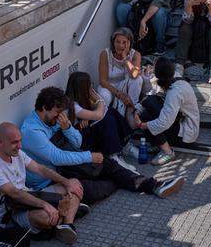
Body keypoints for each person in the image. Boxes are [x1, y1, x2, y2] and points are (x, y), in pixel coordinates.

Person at [21, 87, 187, 203]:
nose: (59, 116)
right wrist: (89, 156)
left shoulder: (53, 119)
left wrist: (67, 128)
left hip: (65, 168)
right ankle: (123, 180)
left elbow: (77, 142)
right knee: (92, 188)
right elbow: (57, 158)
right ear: (44, 108)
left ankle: (156, 185)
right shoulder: (32, 131)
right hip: (49, 180)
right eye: (57, 112)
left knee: (108, 165)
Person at [0, 123, 82, 243]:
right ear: (0, 142)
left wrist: (66, 182)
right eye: (14, 142)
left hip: (30, 196)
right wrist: (45, 205)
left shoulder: (16, 153)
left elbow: (40, 169)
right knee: (46, 216)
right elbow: (14, 193)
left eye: (20, 141)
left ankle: (67, 224)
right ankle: (68, 211)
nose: (19, 146)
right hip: (12, 213)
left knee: (74, 184)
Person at [133, 57, 200, 166]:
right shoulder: (171, 77)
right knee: (147, 107)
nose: (151, 70)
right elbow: (153, 95)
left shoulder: (175, 92)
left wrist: (143, 125)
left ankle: (168, 152)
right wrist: (137, 111)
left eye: (153, 69)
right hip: (176, 119)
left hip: (185, 131)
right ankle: (157, 143)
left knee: (149, 117)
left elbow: (164, 123)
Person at [65, 71, 135, 171]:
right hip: (81, 143)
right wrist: (100, 100)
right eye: (89, 85)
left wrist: (88, 115)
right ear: (81, 88)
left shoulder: (78, 99)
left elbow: (102, 109)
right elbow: (99, 114)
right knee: (107, 120)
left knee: (110, 111)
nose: (91, 87)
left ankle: (124, 146)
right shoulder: (73, 105)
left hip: (84, 132)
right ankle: (112, 156)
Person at [97, 27, 143, 120]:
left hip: (126, 86)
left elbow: (134, 75)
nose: (120, 45)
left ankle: (131, 109)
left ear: (129, 43)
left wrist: (125, 58)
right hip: (109, 86)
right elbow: (103, 81)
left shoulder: (135, 55)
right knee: (105, 96)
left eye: (124, 42)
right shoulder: (105, 54)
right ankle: (108, 118)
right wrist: (119, 94)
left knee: (138, 80)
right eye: (117, 42)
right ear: (113, 42)